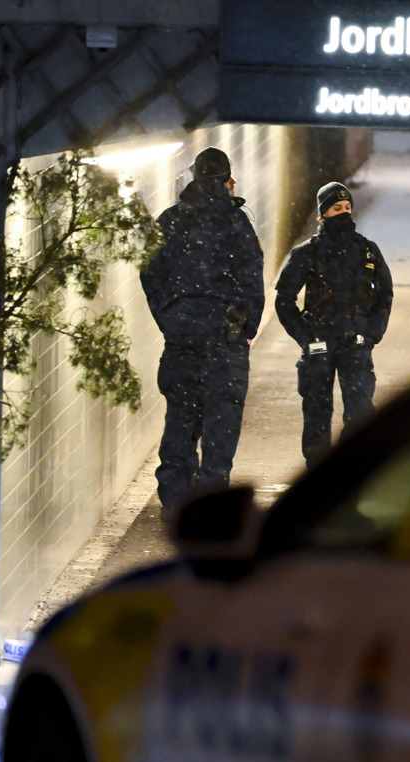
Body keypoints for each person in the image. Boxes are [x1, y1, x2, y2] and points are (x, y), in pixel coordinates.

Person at [140, 147, 264, 511]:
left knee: (180, 422)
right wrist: (245, 327)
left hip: (181, 342)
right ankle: (211, 510)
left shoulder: (169, 221)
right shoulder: (237, 224)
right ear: (227, 181)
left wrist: (171, 319)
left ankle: (176, 506)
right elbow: (252, 279)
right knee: (220, 432)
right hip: (225, 343)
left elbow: (150, 274)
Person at [275, 181, 394, 467]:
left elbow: (384, 294)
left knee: (361, 413)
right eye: (336, 208)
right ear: (322, 214)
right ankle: (318, 478)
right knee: (317, 414)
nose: (344, 213)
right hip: (319, 345)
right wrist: (306, 337)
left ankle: (353, 474)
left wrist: (371, 333)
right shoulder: (307, 253)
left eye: (348, 208)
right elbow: (284, 299)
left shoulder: (367, 250)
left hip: (356, 344)